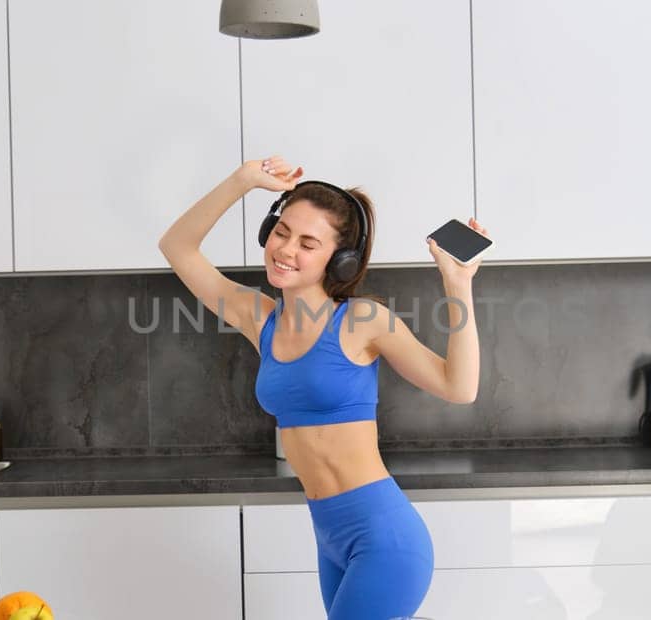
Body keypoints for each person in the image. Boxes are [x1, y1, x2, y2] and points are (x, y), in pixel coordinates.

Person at [158, 156, 487, 619]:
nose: (286, 249)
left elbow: (460, 387)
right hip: (329, 537)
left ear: (340, 258)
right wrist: (242, 181)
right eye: (281, 232)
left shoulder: (360, 320)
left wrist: (458, 284)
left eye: (308, 242)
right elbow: (177, 246)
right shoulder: (260, 318)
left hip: (383, 539)